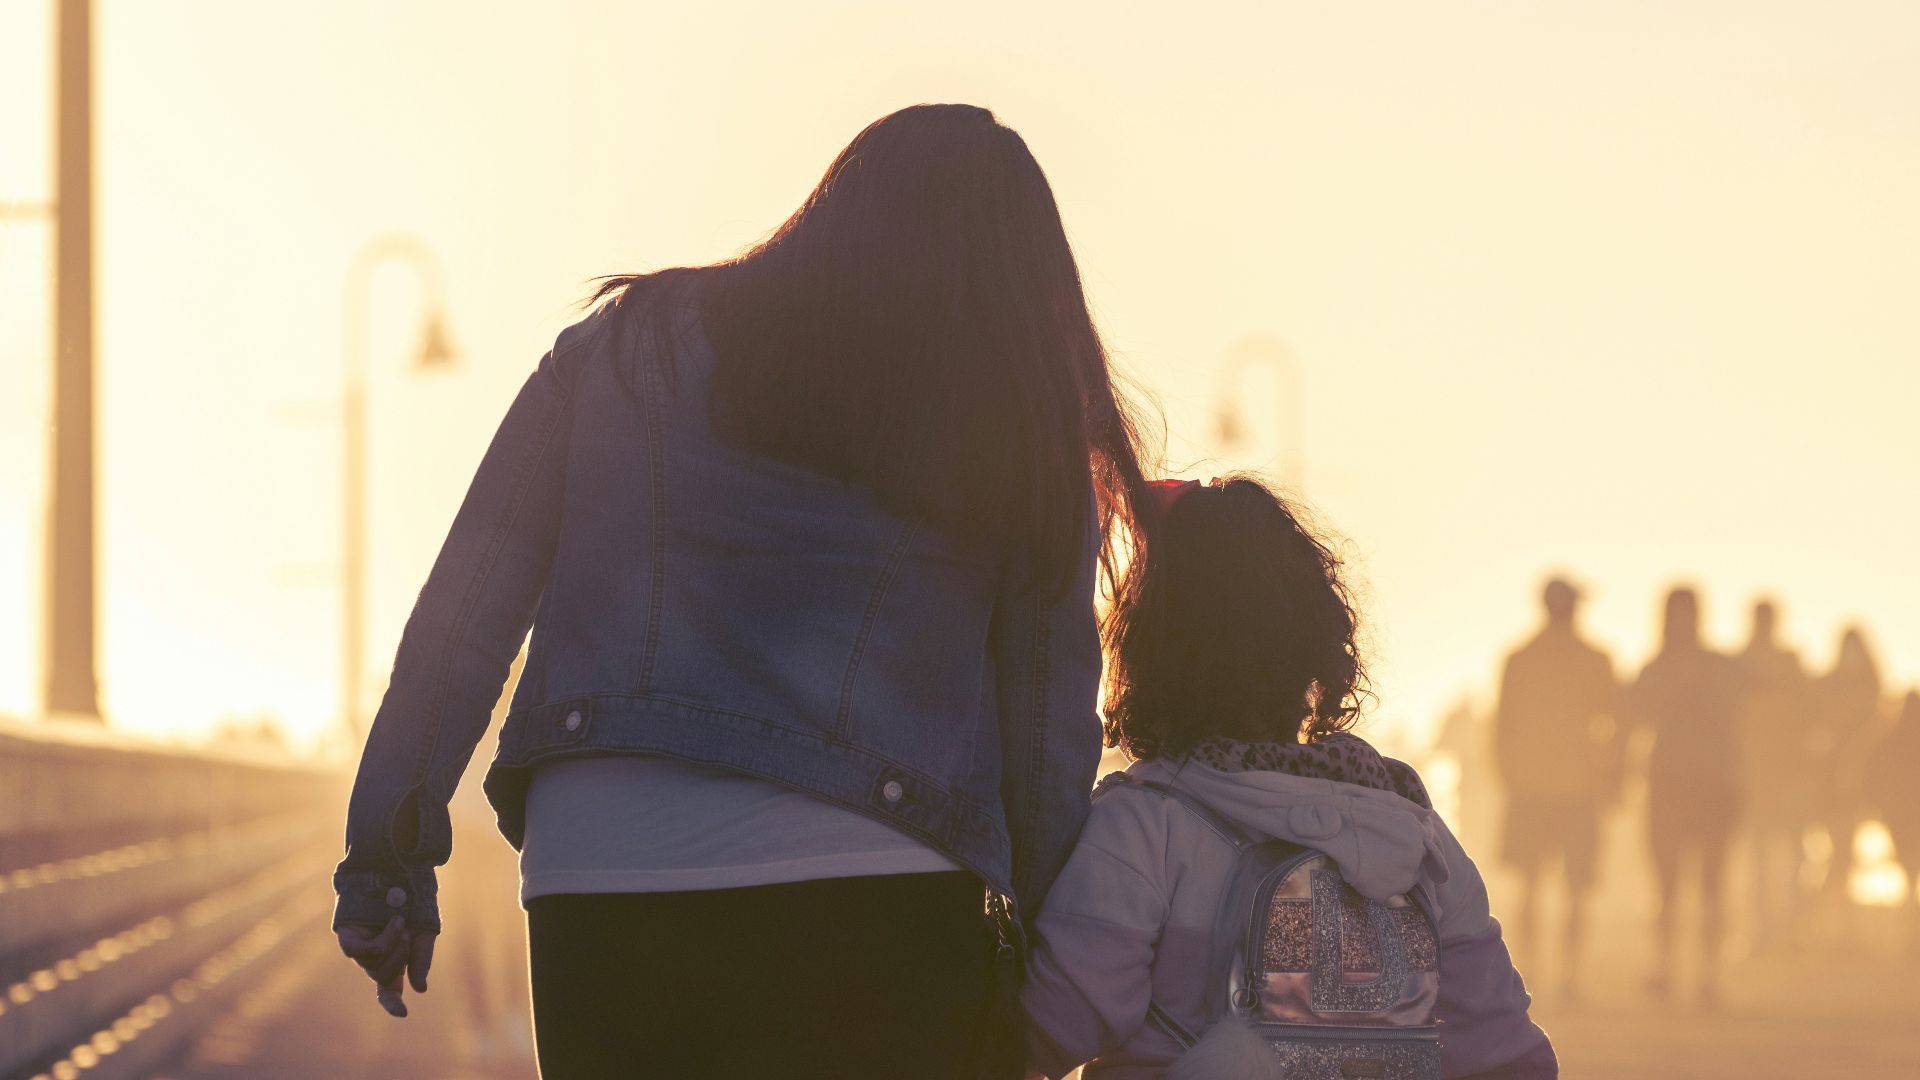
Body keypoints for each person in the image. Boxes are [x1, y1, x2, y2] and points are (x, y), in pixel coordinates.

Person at [330, 103, 1154, 1078]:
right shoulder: (1010, 411)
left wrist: (387, 861)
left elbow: (460, 630)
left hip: (600, 875)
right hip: (877, 891)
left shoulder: (619, 351)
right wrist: (1045, 968)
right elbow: (1045, 724)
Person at [1021, 476, 1555, 1079]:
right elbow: (1504, 1048)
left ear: (1147, 647)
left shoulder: (1144, 822)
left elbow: (1055, 1024)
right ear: (1315, 647)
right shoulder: (1413, 831)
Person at [1491, 576, 1620, 999]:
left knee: (1531, 884)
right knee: (1575, 888)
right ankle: (1568, 976)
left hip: (1531, 786)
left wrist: (1508, 774)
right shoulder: (1595, 659)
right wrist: (1611, 779)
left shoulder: (1520, 658)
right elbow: (1613, 727)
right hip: (1577, 788)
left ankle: (1529, 971)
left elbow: (1502, 725)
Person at [1624, 586, 1745, 1006]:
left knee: (1709, 883)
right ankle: (1667, 967)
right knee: (1669, 883)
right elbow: (1633, 718)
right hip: (1675, 784)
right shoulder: (1668, 667)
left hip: (1708, 786)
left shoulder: (1710, 667)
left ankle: (1708, 974)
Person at [1734, 599, 1814, 950]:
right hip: (1758, 772)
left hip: (1779, 771)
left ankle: (1787, 930)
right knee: (1764, 855)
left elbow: (1806, 714)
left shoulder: (1784, 662)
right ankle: (1766, 931)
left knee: (1783, 853)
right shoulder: (1744, 663)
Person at [1811, 627, 1883, 903]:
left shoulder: (1869, 689)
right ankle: (1828, 905)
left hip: (1858, 783)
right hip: (1828, 782)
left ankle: (1837, 904)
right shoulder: (1829, 685)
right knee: (1835, 847)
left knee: (1844, 848)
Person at [1863, 691, 1920, 952]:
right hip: (1905, 817)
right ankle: (1911, 932)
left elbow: (1870, 776)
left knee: (1910, 873)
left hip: (1899, 819)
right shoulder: (1892, 742)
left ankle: (1910, 931)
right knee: (1911, 873)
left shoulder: (1888, 739)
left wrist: (1877, 807)